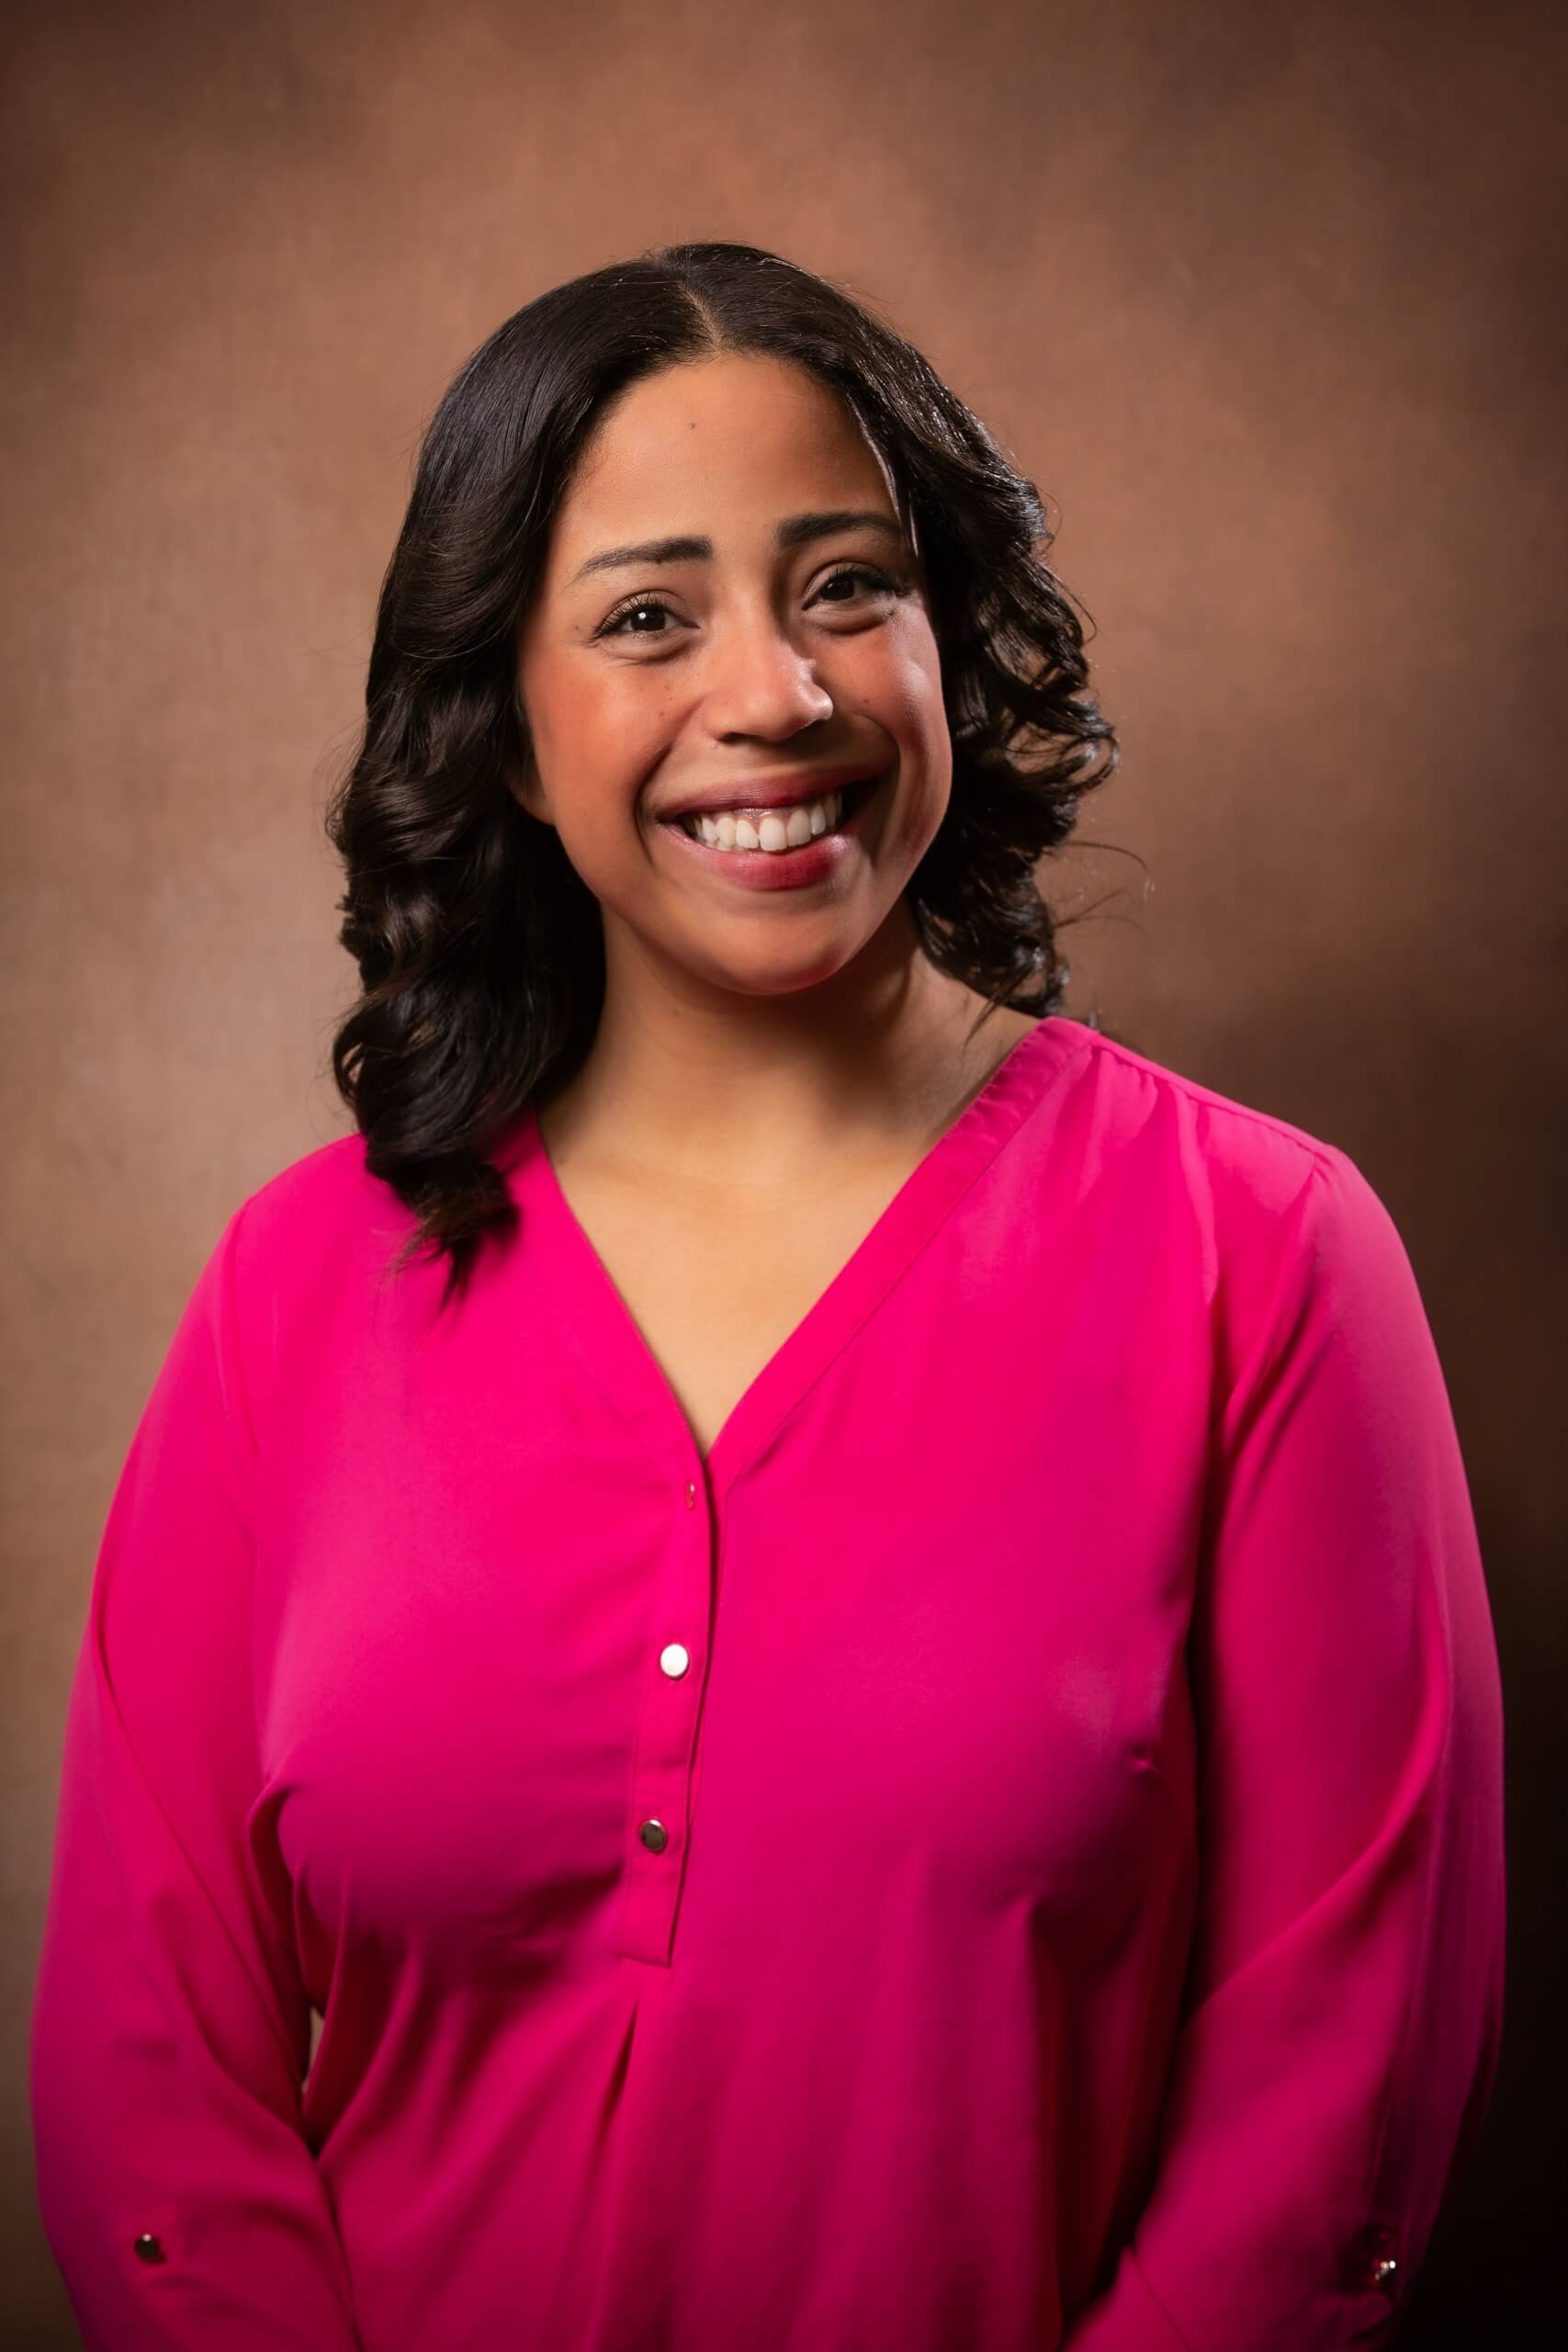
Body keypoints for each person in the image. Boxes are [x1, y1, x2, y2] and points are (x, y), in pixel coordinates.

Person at [29, 241, 1505, 2351]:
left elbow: (1330, 2105)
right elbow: (149, 2076)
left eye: (844, 586)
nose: (778, 694)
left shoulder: (1257, 1255)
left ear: (944, 640)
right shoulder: (294, 1288)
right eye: (648, 616)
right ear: (510, 734)